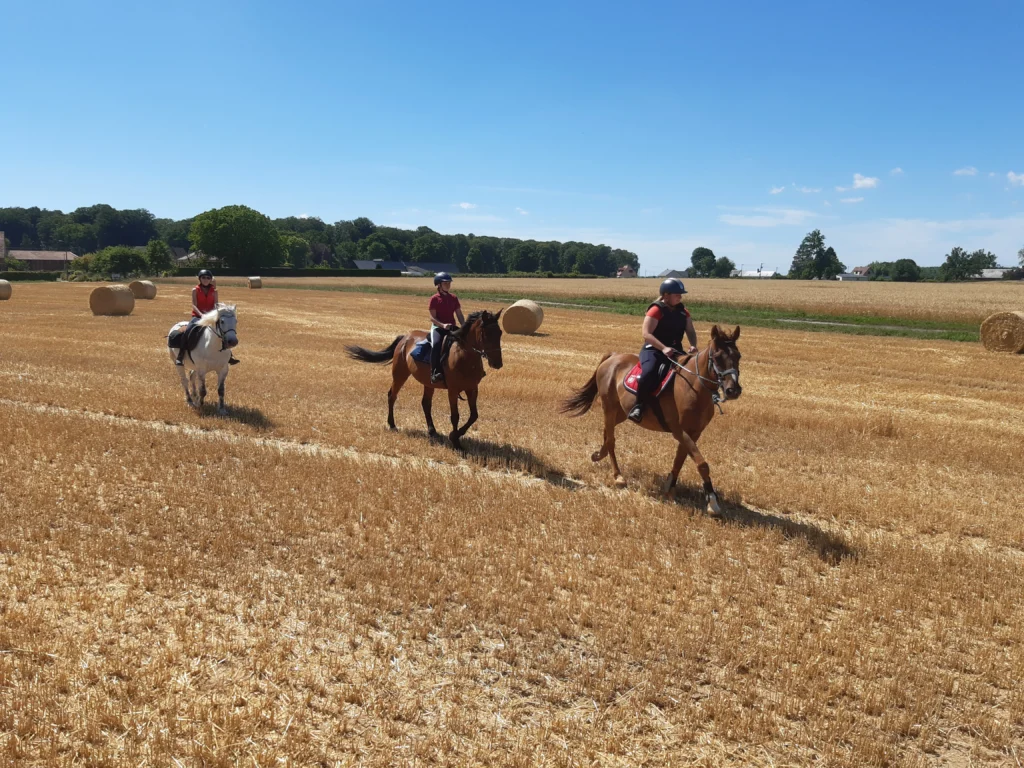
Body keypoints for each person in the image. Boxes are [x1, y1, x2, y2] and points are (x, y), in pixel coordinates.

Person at [627, 277, 698, 423]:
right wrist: (663, 348)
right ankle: (638, 406)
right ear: (666, 295)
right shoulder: (656, 310)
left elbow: (690, 330)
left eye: (681, 294)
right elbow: (646, 334)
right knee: (650, 371)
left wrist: (693, 344)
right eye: (677, 294)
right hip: (653, 350)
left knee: (692, 371)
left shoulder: (684, 312)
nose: (680, 297)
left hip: (675, 351)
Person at [176, 269, 239, 366]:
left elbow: (216, 305)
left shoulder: (214, 291)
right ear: (200, 279)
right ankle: (180, 356)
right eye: (203, 277)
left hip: (211, 317)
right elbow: (194, 305)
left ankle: (229, 356)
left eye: (208, 278)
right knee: (188, 331)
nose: (206, 279)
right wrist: (201, 315)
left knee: (223, 331)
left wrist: (213, 315)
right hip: (197, 316)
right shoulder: (195, 290)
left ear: (211, 279)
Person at [427, 271, 465, 383]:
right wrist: (443, 325)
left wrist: (464, 326)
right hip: (438, 328)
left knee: (466, 343)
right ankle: (434, 372)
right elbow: (432, 318)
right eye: (445, 283)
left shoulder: (453, 298)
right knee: (437, 344)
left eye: (449, 283)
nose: (448, 285)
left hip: (452, 328)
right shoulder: (434, 299)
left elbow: (459, 314)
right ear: (439, 285)